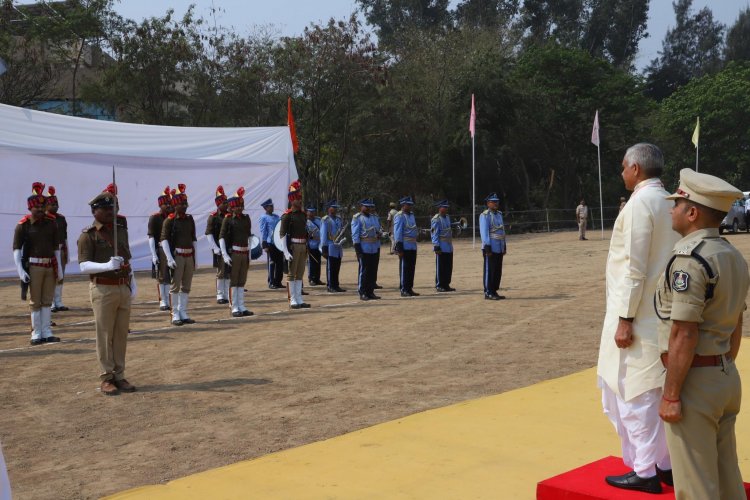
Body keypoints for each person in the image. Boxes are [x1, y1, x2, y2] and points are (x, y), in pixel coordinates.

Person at [655, 169, 749, 499]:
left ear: (692, 212)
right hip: (724, 375)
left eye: (677, 203)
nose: (672, 209)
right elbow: (736, 323)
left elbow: (684, 333)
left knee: (696, 488)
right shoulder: (732, 255)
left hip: (695, 379)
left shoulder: (690, 259)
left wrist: (671, 394)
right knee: (727, 482)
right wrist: (721, 364)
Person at [597, 143, 679, 494]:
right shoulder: (673, 202)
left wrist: (625, 318)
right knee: (655, 387)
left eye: (622, 167)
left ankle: (645, 469)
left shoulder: (639, 205)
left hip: (638, 313)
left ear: (635, 169)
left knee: (632, 390)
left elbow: (634, 269)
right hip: (665, 311)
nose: (621, 173)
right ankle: (664, 464)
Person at [78, 191, 137, 396]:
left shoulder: (120, 230)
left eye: (112, 208)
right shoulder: (88, 235)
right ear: (95, 211)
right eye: (105, 209)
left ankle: (119, 375)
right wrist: (105, 265)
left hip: (122, 286)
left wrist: (132, 280)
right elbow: (83, 266)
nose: (110, 212)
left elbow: (127, 257)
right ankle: (106, 377)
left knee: (121, 334)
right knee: (104, 335)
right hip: (103, 288)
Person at [13, 182, 63, 345]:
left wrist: (60, 269)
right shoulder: (23, 226)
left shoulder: (51, 223)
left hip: (50, 265)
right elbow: (17, 249)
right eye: (37, 208)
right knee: (35, 301)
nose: (41, 210)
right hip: (33, 266)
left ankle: (47, 331)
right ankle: (36, 332)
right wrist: (21, 271)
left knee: (47, 300)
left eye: (43, 207)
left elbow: (56, 247)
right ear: (30, 208)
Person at [160, 184, 197, 326]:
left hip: (188, 256)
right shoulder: (169, 220)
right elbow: (164, 239)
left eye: (186, 203)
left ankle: (183, 311)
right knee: (175, 286)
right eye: (182, 203)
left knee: (186, 285)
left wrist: (195, 259)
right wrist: (169, 258)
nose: (185, 206)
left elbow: (193, 239)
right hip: (178, 256)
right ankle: (175, 313)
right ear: (175, 205)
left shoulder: (189, 219)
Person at [219, 187, 254, 317]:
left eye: (241, 205)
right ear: (232, 207)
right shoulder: (228, 219)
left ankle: (241, 305)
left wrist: (249, 251)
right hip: (234, 252)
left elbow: (249, 237)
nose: (240, 208)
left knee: (242, 280)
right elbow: (222, 237)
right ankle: (234, 307)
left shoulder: (246, 218)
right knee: (234, 280)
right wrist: (225, 254)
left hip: (244, 252)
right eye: (237, 206)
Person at [279, 180, 310, 309]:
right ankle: (292, 299)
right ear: (292, 200)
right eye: (297, 198)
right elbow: (282, 234)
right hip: (293, 246)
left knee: (300, 273)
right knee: (292, 274)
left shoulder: (303, 215)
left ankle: (299, 298)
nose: (300, 200)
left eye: (300, 198)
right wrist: (286, 252)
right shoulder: (287, 216)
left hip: (303, 246)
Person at [147, 186, 173, 311]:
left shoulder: (173, 217)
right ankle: (163, 300)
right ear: (160, 205)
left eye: (170, 203)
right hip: (161, 249)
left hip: (173, 249)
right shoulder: (155, 218)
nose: (169, 206)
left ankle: (171, 299)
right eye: (166, 204)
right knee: (162, 276)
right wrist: (153, 254)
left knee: (173, 276)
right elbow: (151, 237)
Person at [44, 186, 69, 313]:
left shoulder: (61, 218)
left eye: (56, 204)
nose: (55, 206)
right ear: (46, 206)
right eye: (52, 204)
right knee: (51, 277)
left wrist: (67, 251)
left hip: (61, 250)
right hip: (49, 252)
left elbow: (64, 236)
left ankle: (58, 302)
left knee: (60, 276)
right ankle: (51, 303)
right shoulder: (43, 219)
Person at [352, 198, 381, 301]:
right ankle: (362, 291)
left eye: (370, 206)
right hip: (364, 247)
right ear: (362, 206)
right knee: (364, 271)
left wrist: (379, 237)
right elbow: (355, 236)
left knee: (372, 271)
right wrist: (358, 250)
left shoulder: (374, 217)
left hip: (374, 247)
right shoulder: (357, 218)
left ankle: (370, 291)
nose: (368, 208)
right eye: (366, 206)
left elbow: (378, 230)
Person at [479, 193, 506, 300]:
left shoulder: (499, 214)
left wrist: (504, 245)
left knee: (497, 271)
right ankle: (488, 292)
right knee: (489, 270)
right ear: (488, 203)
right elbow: (484, 233)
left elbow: (502, 231)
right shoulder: (485, 215)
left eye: (497, 201)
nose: (496, 203)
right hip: (490, 247)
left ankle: (494, 290)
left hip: (499, 246)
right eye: (493, 202)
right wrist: (487, 247)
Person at [205, 186, 230, 304]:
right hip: (219, 248)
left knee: (229, 271)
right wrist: (215, 248)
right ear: (218, 204)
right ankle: (220, 295)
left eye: (227, 202)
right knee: (221, 271)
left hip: (230, 247)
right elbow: (209, 234)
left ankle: (227, 293)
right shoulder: (213, 217)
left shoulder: (230, 215)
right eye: (224, 203)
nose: (227, 204)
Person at [394, 196, 419, 297]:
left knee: (411, 268)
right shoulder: (399, 216)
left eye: (410, 205)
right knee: (405, 268)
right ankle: (404, 289)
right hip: (404, 245)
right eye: (408, 205)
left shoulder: (411, 215)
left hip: (412, 245)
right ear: (403, 205)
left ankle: (409, 288)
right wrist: (399, 247)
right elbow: (398, 232)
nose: (410, 206)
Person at [320, 200, 346, 293]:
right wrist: (324, 248)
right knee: (331, 267)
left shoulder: (338, 219)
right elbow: (323, 235)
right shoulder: (325, 219)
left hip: (338, 246)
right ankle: (330, 285)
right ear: (329, 209)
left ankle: (336, 285)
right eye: (333, 207)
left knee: (337, 266)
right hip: (330, 245)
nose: (335, 209)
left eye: (336, 208)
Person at [259, 198, 284, 289]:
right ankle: (271, 282)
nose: (272, 207)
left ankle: (278, 281)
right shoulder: (263, 217)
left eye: (272, 206)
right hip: (270, 243)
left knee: (280, 263)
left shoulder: (277, 216)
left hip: (278, 243)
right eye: (270, 206)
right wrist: (264, 244)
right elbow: (263, 231)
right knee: (272, 263)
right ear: (266, 208)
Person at [431, 200, 455, 292]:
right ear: (439, 208)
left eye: (446, 207)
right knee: (441, 267)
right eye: (444, 207)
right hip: (441, 245)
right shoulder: (436, 219)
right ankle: (439, 284)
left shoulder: (447, 217)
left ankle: (446, 284)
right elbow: (434, 233)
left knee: (448, 267)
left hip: (448, 246)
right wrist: (436, 245)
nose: (445, 209)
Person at [306, 206, 324, 286]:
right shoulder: (305, 222)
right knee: (311, 263)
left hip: (319, 245)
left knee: (318, 262)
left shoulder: (318, 220)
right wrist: (312, 238)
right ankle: (311, 279)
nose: (311, 214)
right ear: (307, 212)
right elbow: (305, 235)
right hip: (311, 245)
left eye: (313, 212)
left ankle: (317, 279)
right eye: (310, 212)